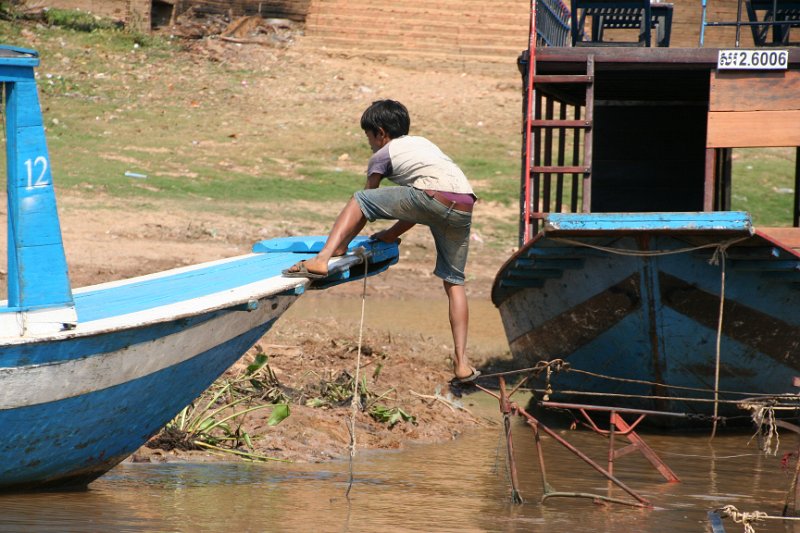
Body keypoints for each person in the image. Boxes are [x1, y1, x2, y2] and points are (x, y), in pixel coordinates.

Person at [283, 99, 479, 384]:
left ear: (380, 132)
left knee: (359, 199)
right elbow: (419, 209)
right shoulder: (423, 144)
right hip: (464, 203)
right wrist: (390, 236)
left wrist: (341, 246)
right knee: (454, 282)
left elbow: (367, 202)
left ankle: (322, 259)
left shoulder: (382, 155)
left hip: (430, 196)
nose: (370, 144)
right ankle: (462, 364)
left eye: (369, 137)